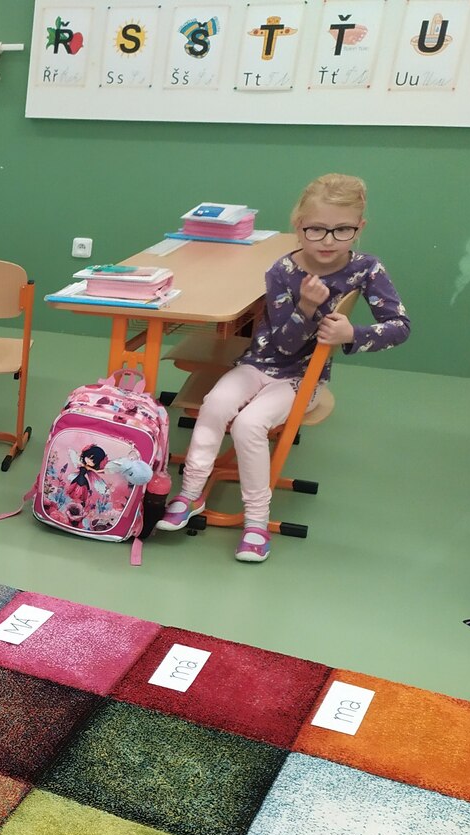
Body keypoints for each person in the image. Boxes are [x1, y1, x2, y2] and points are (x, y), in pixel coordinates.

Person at [157, 173, 410, 561]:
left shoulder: (367, 268)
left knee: (249, 424)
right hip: (258, 363)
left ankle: (256, 522)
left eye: (342, 230)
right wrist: (307, 306)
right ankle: (191, 493)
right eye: (316, 229)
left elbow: (399, 326)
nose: (328, 241)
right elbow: (283, 344)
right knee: (215, 404)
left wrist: (351, 333)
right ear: (299, 226)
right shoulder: (282, 271)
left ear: (360, 228)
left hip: (303, 379)